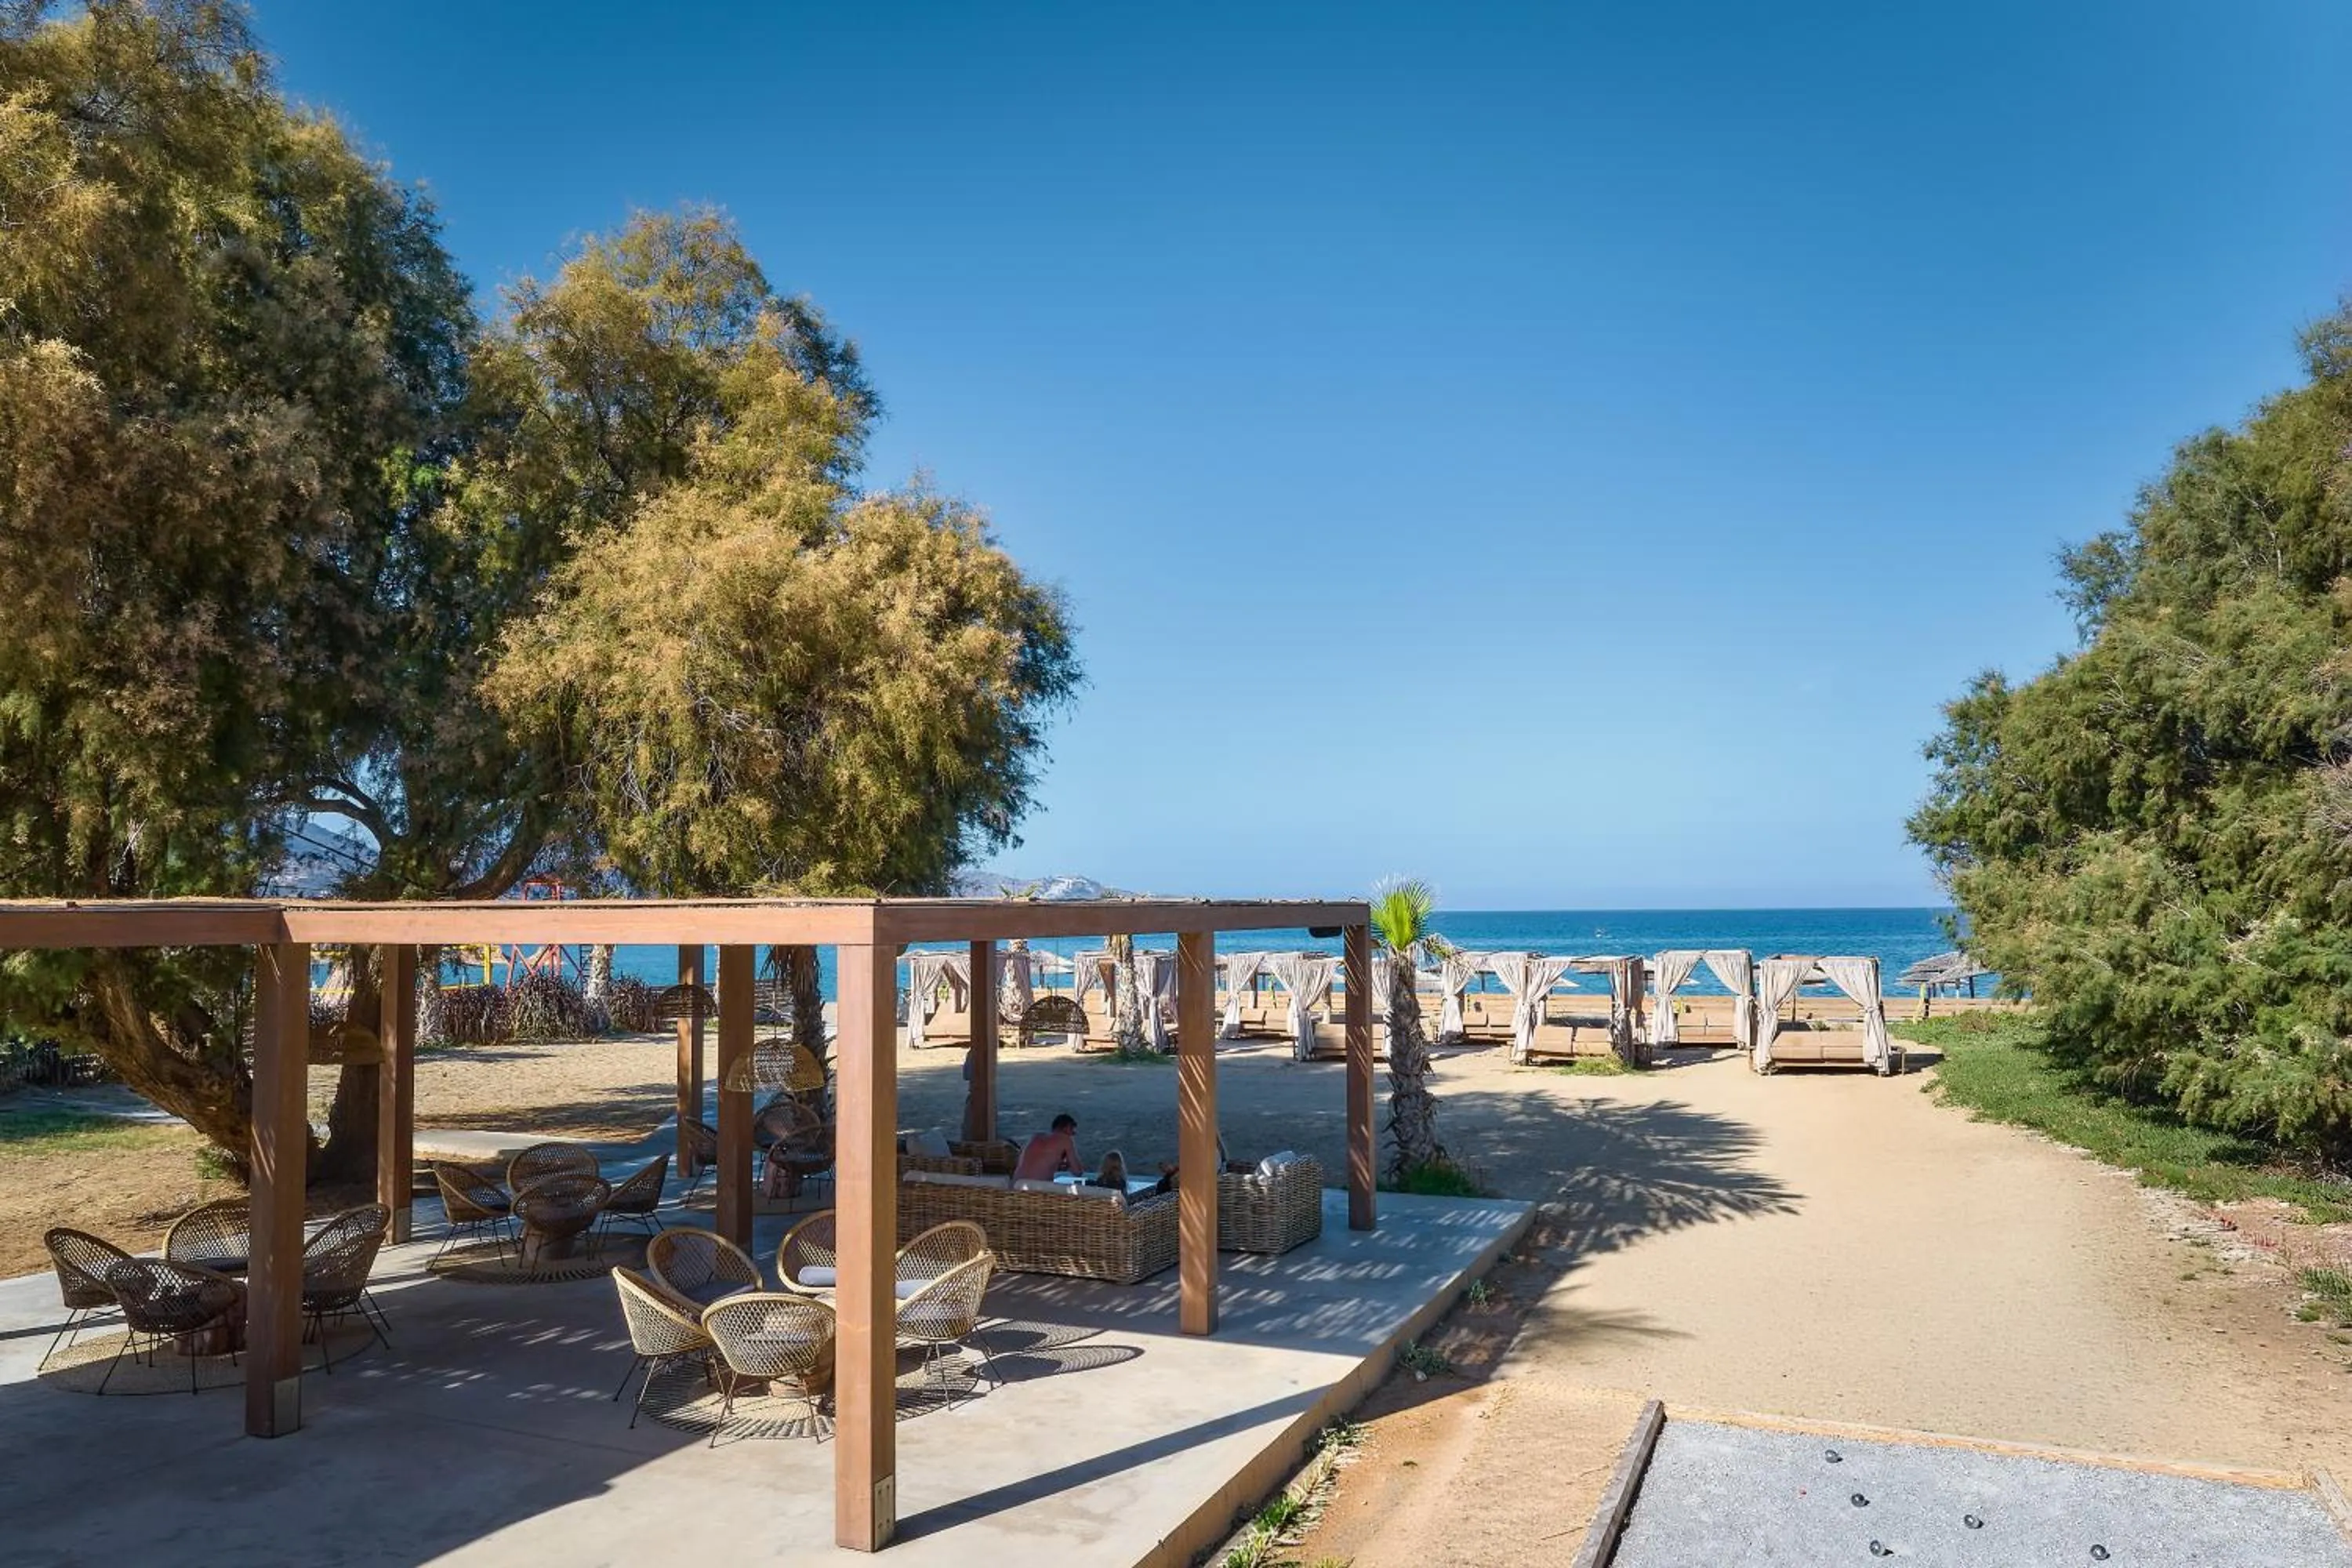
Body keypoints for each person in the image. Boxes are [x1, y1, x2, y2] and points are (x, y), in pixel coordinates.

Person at [1013, 1112, 1082, 1181]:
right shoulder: (1065, 1140)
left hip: (1016, 1185)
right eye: (1072, 1130)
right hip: (1035, 1188)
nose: (1073, 1134)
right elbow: (1078, 1172)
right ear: (1066, 1128)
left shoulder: (1035, 1137)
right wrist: (1069, 1164)